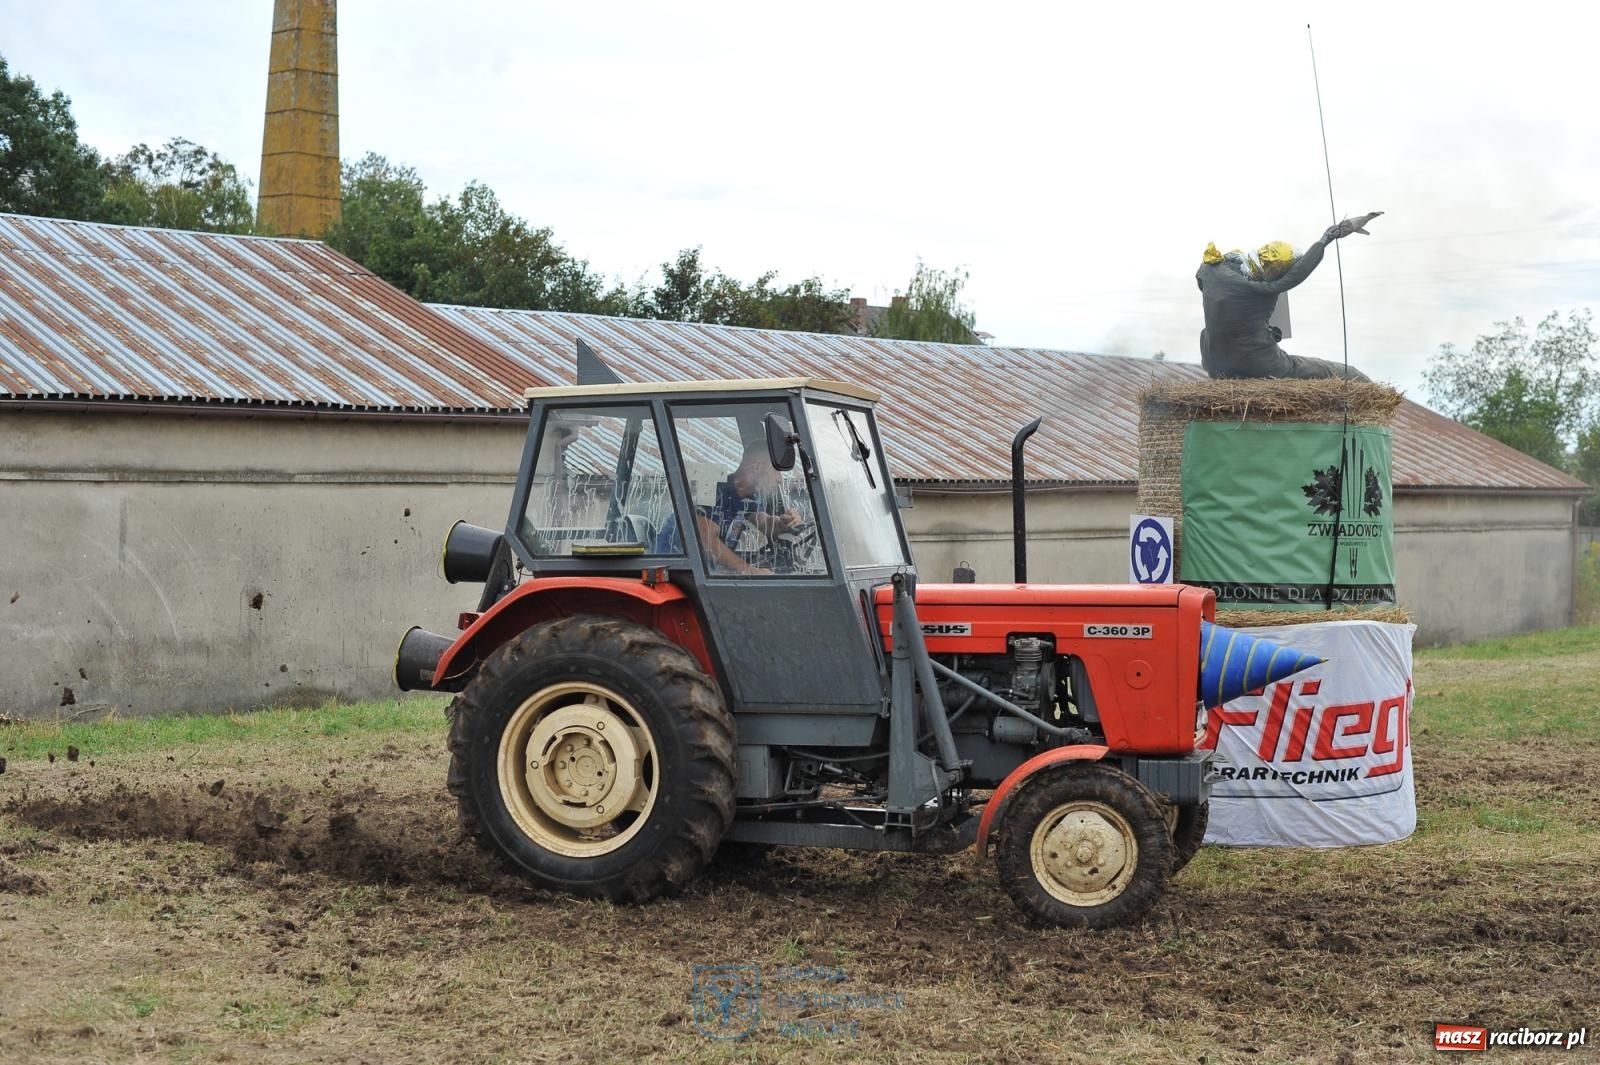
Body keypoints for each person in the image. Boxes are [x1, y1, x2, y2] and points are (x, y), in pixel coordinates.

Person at [1196, 212, 1381, 381]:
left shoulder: (1210, 270)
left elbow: (1206, 288)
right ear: (1273, 273)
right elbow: (1296, 275)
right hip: (1258, 364)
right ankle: (1364, 381)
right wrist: (1325, 240)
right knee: (1348, 374)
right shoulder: (1263, 288)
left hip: (1213, 361)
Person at [654, 441, 802, 574]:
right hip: (671, 572)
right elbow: (704, 540)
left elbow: (764, 522)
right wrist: (750, 570)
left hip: (701, 572)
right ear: (757, 467)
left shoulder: (748, 497)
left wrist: (783, 524)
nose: (780, 480)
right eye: (776, 471)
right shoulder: (711, 489)